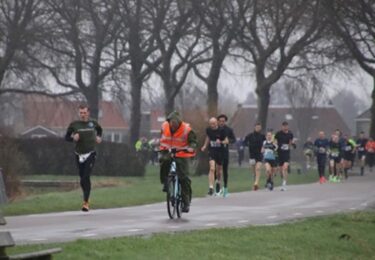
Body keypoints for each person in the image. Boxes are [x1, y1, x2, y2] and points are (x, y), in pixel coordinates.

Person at [65, 104, 102, 212]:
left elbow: (99, 130)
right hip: (79, 154)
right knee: (82, 179)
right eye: (81, 113)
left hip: (91, 153)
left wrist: (99, 137)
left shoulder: (93, 123)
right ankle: (86, 197)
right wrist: (73, 138)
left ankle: (86, 202)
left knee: (86, 176)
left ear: (88, 113)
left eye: (84, 113)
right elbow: (66, 137)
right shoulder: (74, 125)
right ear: (79, 113)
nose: (83, 115)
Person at [159, 111, 197, 213]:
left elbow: (193, 141)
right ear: (169, 122)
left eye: (175, 124)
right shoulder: (164, 126)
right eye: (171, 123)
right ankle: (166, 182)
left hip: (182, 154)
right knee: (164, 162)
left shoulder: (186, 129)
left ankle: (186, 202)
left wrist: (191, 147)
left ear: (179, 123)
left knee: (184, 178)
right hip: (168, 151)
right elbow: (162, 138)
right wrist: (160, 148)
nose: (173, 126)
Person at [201, 117, 227, 196]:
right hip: (212, 151)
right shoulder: (208, 130)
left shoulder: (222, 130)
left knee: (219, 171)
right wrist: (205, 146)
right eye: (211, 124)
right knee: (212, 168)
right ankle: (211, 187)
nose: (212, 125)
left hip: (220, 152)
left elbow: (226, 141)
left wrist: (221, 141)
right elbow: (208, 137)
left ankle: (218, 182)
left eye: (214, 123)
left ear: (217, 123)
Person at [217, 114, 236, 197]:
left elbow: (233, 139)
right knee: (217, 169)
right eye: (220, 121)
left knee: (224, 170)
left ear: (225, 121)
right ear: (218, 121)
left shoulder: (229, 130)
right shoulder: (215, 129)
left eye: (223, 121)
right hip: (216, 151)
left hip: (224, 152)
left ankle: (225, 188)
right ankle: (217, 183)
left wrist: (229, 141)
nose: (221, 123)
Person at [244, 123, 265, 191]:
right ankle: (255, 181)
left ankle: (256, 183)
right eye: (257, 127)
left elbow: (266, 143)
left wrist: (263, 148)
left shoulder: (262, 136)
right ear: (254, 127)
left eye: (259, 127)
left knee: (258, 168)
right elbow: (244, 142)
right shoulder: (250, 135)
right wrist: (248, 145)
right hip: (252, 155)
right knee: (254, 171)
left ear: (260, 128)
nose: (258, 128)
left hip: (259, 154)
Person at [274, 121, 295, 191]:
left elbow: (290, 143)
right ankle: (283, 179)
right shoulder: (278, 133)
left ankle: (284, 183)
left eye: (286, 126)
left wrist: (292, 145)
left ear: (288, 126)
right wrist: (275, 146)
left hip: (286, 153)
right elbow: (275, 141)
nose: (285, 127)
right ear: (282, 126)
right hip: (280, 153)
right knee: (281, 170)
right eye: (284, 126)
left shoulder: (290, 134)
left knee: (285, 168)